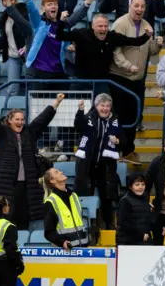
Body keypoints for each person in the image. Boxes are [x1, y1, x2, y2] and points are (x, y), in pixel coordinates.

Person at [0, 95, 63, 231]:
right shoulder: (1, 133)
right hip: (5, 185)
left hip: (26, 186)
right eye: (17, 119)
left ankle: (22, 248)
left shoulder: (29, 133)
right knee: (5, 218)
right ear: (9, 120)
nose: (20, 122)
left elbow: (42, 120)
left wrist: (56, 103)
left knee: (23, 219)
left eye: (22, 119)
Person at [109, 0, 164, 165]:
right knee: (120, 116)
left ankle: (128, 151)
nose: (139, 9)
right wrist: (127, 65)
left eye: (142, 6)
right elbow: (115, 51)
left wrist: (158, 44)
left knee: (134, 116)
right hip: (120, 77)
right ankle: (116, 150)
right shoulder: (120, 24)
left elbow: (151, 51)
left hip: (137, 80)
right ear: (130, 6)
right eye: (136, 6)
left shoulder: (147, 25)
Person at [55, 13, 153, 94]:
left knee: (104, 110)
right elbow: (59, 35)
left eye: (105, 26)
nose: (103, 29)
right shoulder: (82, 34)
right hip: (81, 81)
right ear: (93, 26)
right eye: (100, 26)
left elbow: (134, 42)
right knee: (74, 110)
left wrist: (147, 35)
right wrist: (62, 22)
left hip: (101, 83)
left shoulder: (112, 37)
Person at [23, 0, 93, 90]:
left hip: (58, 71)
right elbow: (32, 11)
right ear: (43, 8)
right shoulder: (39, 23)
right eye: (49, 4)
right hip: (40, 71)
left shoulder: (63, 26)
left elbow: (76, 17)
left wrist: (87, 2)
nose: (53, 6)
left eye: (55, 4)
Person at [73, 94, 125, 231]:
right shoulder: (89, 118)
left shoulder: (116, 121)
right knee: (83, 194)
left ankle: (109, 224)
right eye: (102, 105)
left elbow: (126, 143)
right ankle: (83, 225)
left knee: (107, 196)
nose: (105, 108)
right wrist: (80, 111)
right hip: (87, 165)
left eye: (107, 106)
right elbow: (78, 126)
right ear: (96, 107)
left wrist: (118, 142)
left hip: (106, 166)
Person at [0, 0, 29, 96]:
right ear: (3, 3)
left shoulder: (23, 13)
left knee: (31, 85)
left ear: (15, 1)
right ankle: (12, 110)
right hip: (13, 57)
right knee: (12, 88)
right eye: (6, 0)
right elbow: (4, 38)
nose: (9, 2)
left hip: (28, 54)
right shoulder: (3, 20)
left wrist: (27, 45)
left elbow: (30, 31)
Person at [41, 168, 90, 249]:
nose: (61, 172)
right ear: (52, 180)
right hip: (66, 252)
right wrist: (62, 242)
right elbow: (49, 232)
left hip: (82, 249)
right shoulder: (50, 202)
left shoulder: (74, 196)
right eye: (57, 172)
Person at [116, 173, 154, 246]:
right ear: (130, 187)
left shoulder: (145, 200)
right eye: (137, 185)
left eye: (143, 184)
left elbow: (147, 220)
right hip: (127, 242)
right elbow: (123, 223)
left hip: (144, 241)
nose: (140, 187)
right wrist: (140, 235)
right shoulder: (125, 201)